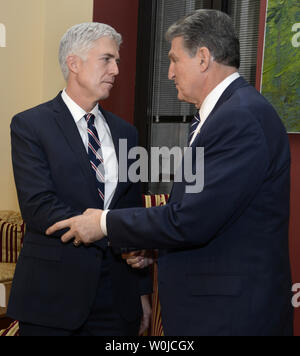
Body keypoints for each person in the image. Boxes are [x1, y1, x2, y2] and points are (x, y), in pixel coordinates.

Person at [47, 10, 294, 336]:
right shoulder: (230, 113)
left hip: (231, 317)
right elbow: (210, 215)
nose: (169, 73)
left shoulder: (239, 118)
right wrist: (153, 251)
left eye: (175, 60)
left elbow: (191, 220)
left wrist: (103, 223)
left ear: (203, 58)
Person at [7, 22, 152, 336]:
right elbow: (39, 207)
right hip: (52, 301)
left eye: (117, 61)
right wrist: (112, 232)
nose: (115, 69)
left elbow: (132, 209)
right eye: (107, 59)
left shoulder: (126, 132)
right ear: (74, 63)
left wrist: (142, 292)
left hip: (117, 301)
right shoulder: (30, 126)